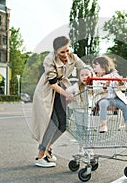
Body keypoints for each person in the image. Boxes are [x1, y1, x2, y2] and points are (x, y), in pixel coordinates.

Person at [29, 36, 86, 167]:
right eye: (62, 52)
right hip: (48, 92)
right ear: (55, 51)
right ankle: (40, 156)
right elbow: (53, 84)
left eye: (67, 50)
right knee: (53, 122)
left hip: (63, 89)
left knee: (64, 124)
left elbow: (85, 68)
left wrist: (103, 76)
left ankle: (48, 148)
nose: (66, 54)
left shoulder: (73, 57)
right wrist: (67, 94)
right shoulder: (49, 60)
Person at [92, 55, 127, 138]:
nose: (94, 69)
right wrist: (104, 87)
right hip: (104, 98)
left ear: (104, 66)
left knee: (124, 106)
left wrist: (121, 83)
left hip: (116, 98)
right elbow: (95, 89)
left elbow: (124, 86)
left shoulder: (114, 75)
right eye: (93, 68)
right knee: (103, 104)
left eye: (95, 67)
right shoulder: (95, 78)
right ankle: (103, 125)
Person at [66, 66, 93, 155]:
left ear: (91, 76)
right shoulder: (76, 86)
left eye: (87, 75)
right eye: (82, 75)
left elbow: (100, 89)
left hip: (87, 111)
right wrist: (70, 95)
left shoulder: (92, 86)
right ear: (79, 77)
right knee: (80, 130)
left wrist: (105, 86)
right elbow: (68, 90)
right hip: (78, 110)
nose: (84, 77)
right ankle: (81, 148)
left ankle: (88, 147)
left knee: (87, 129)